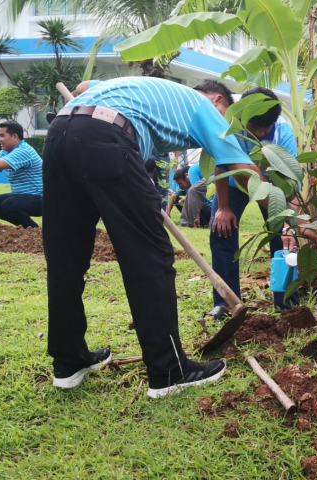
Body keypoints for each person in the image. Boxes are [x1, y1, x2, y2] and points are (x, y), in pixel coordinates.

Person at [43, 77, 269, 399]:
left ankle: (68, 362)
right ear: (218, 100)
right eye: (226, 116)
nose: (225, 126)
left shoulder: (142, 89)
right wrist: (285, 218)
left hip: (60, 132)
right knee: (149, 257)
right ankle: (169, 371)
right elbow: (242, 169)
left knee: (65, 256)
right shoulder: (204, 107)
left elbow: (82, 87)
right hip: (107, 136)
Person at [208, 86, 301, 317]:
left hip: (272, 187)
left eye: (265, 128)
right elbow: (220, 165)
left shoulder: (282, 135)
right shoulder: (229, 128)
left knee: (284, 239)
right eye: (254, 127)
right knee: (221, 232)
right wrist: (223, 207)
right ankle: (226, 303)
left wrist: (289, 224)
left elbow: (290, 184)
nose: (259, 133)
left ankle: (287, 303)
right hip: (234, 183)